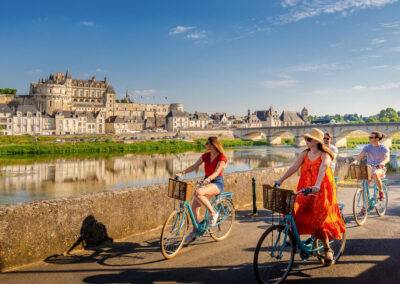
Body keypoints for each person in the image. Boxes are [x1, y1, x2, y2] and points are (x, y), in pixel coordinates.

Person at [275, 128, 346, 266]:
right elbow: (294, 166)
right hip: (305, 188)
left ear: (316, 141)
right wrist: (281, 179)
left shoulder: (325, 154)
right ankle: (295, 237)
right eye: (306, 138)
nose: (306, 141)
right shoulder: (305, 153)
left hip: (322, 190)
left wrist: (317, 185)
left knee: (319, 220)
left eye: (309, 139)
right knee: (294, 209)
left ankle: (327, 248)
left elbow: (323, 168)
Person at [175, 136, 228, 243]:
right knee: (194, 207)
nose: (206, 145)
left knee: (198, 192)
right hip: (207, 182)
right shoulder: (206, 156)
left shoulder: (222, 157)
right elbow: (194, 166)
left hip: (217, 183)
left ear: (213, 145)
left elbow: (217, 172)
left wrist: (208, 179)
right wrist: (182, 173)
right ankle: (196, 231)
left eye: (207, 143)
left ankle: (213, 214)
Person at [352, 131, 389, 201]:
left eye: (372, 137)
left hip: (380, 168)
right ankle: (365, 206)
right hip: (369, 168)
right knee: (364, 187)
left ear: (378, 138)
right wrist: (356, 161)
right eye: (370, 137)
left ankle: (381, 192)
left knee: (375, 174)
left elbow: (387, 157)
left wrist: (383, 163)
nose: (371, 139)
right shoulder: (367, 147)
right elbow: (360, 155)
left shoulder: (383, 148)